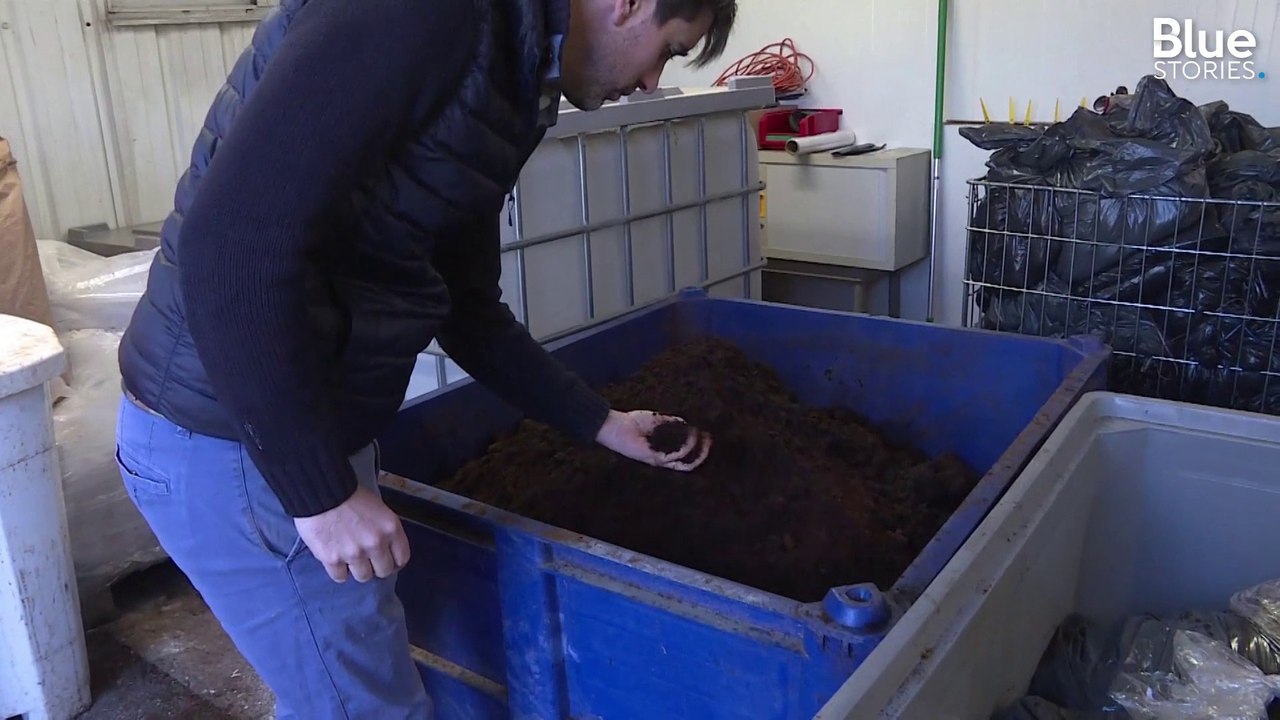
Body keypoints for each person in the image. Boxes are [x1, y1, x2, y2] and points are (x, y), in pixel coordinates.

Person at [112, 0, 736, 716]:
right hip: (234, 442)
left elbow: (466, 307)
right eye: (669, 48)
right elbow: (230, 248)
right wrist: (318, 492)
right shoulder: (424, 14)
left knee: (338, 691)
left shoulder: (506, 72)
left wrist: (601, 422)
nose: (654, 82)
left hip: (292, 427)